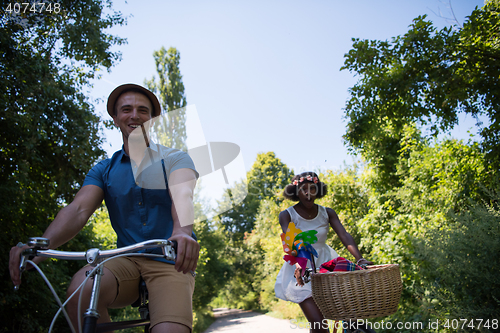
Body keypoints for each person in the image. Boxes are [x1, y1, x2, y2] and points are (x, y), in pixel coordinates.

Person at [9, 83, 200, 333]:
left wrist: (182, 232)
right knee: (81, 289)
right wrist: (40, 247)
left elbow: (182, 193)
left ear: (152, 120)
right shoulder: (103, 169)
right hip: (126, 261)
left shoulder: (176, 158)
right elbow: (78, 210)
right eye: (126, 109)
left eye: (143, 110)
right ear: (115, 118)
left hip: (170, 260)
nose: (134, 116)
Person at [274, 171, 372, 333]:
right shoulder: (287, 215)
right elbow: (290, 241)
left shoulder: (327, 213)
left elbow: (344, 235)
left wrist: (359, 258)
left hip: (327, 266)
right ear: (296, 192)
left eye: (312, 188)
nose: (308, 193)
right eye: (303, 189)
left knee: (351, 316)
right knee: (320, 326)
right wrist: (300, 265)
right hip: (302, 269)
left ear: (317, 191)